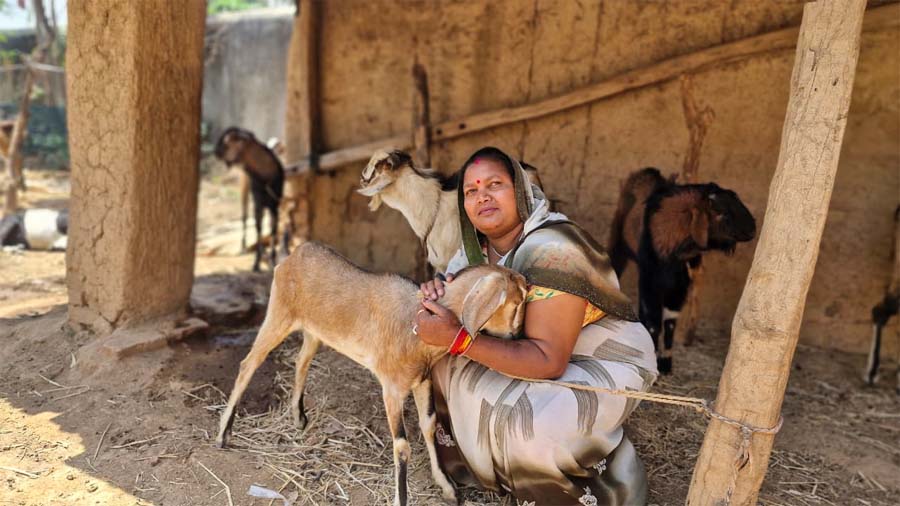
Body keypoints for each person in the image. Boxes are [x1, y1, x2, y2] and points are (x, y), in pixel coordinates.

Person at [415, 147, 658, 505]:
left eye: (495, 184)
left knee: (533, 428)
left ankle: (604, 482)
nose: (482, 196)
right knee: (445, 362)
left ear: (521, 191)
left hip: (594, 355)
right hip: (530, 348)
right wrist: (438, 294)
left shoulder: (555, 248)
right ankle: (489, 467)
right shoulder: (474, 252)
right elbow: (459, 314)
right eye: (471, 190)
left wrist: (460, 339)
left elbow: (548, 361)